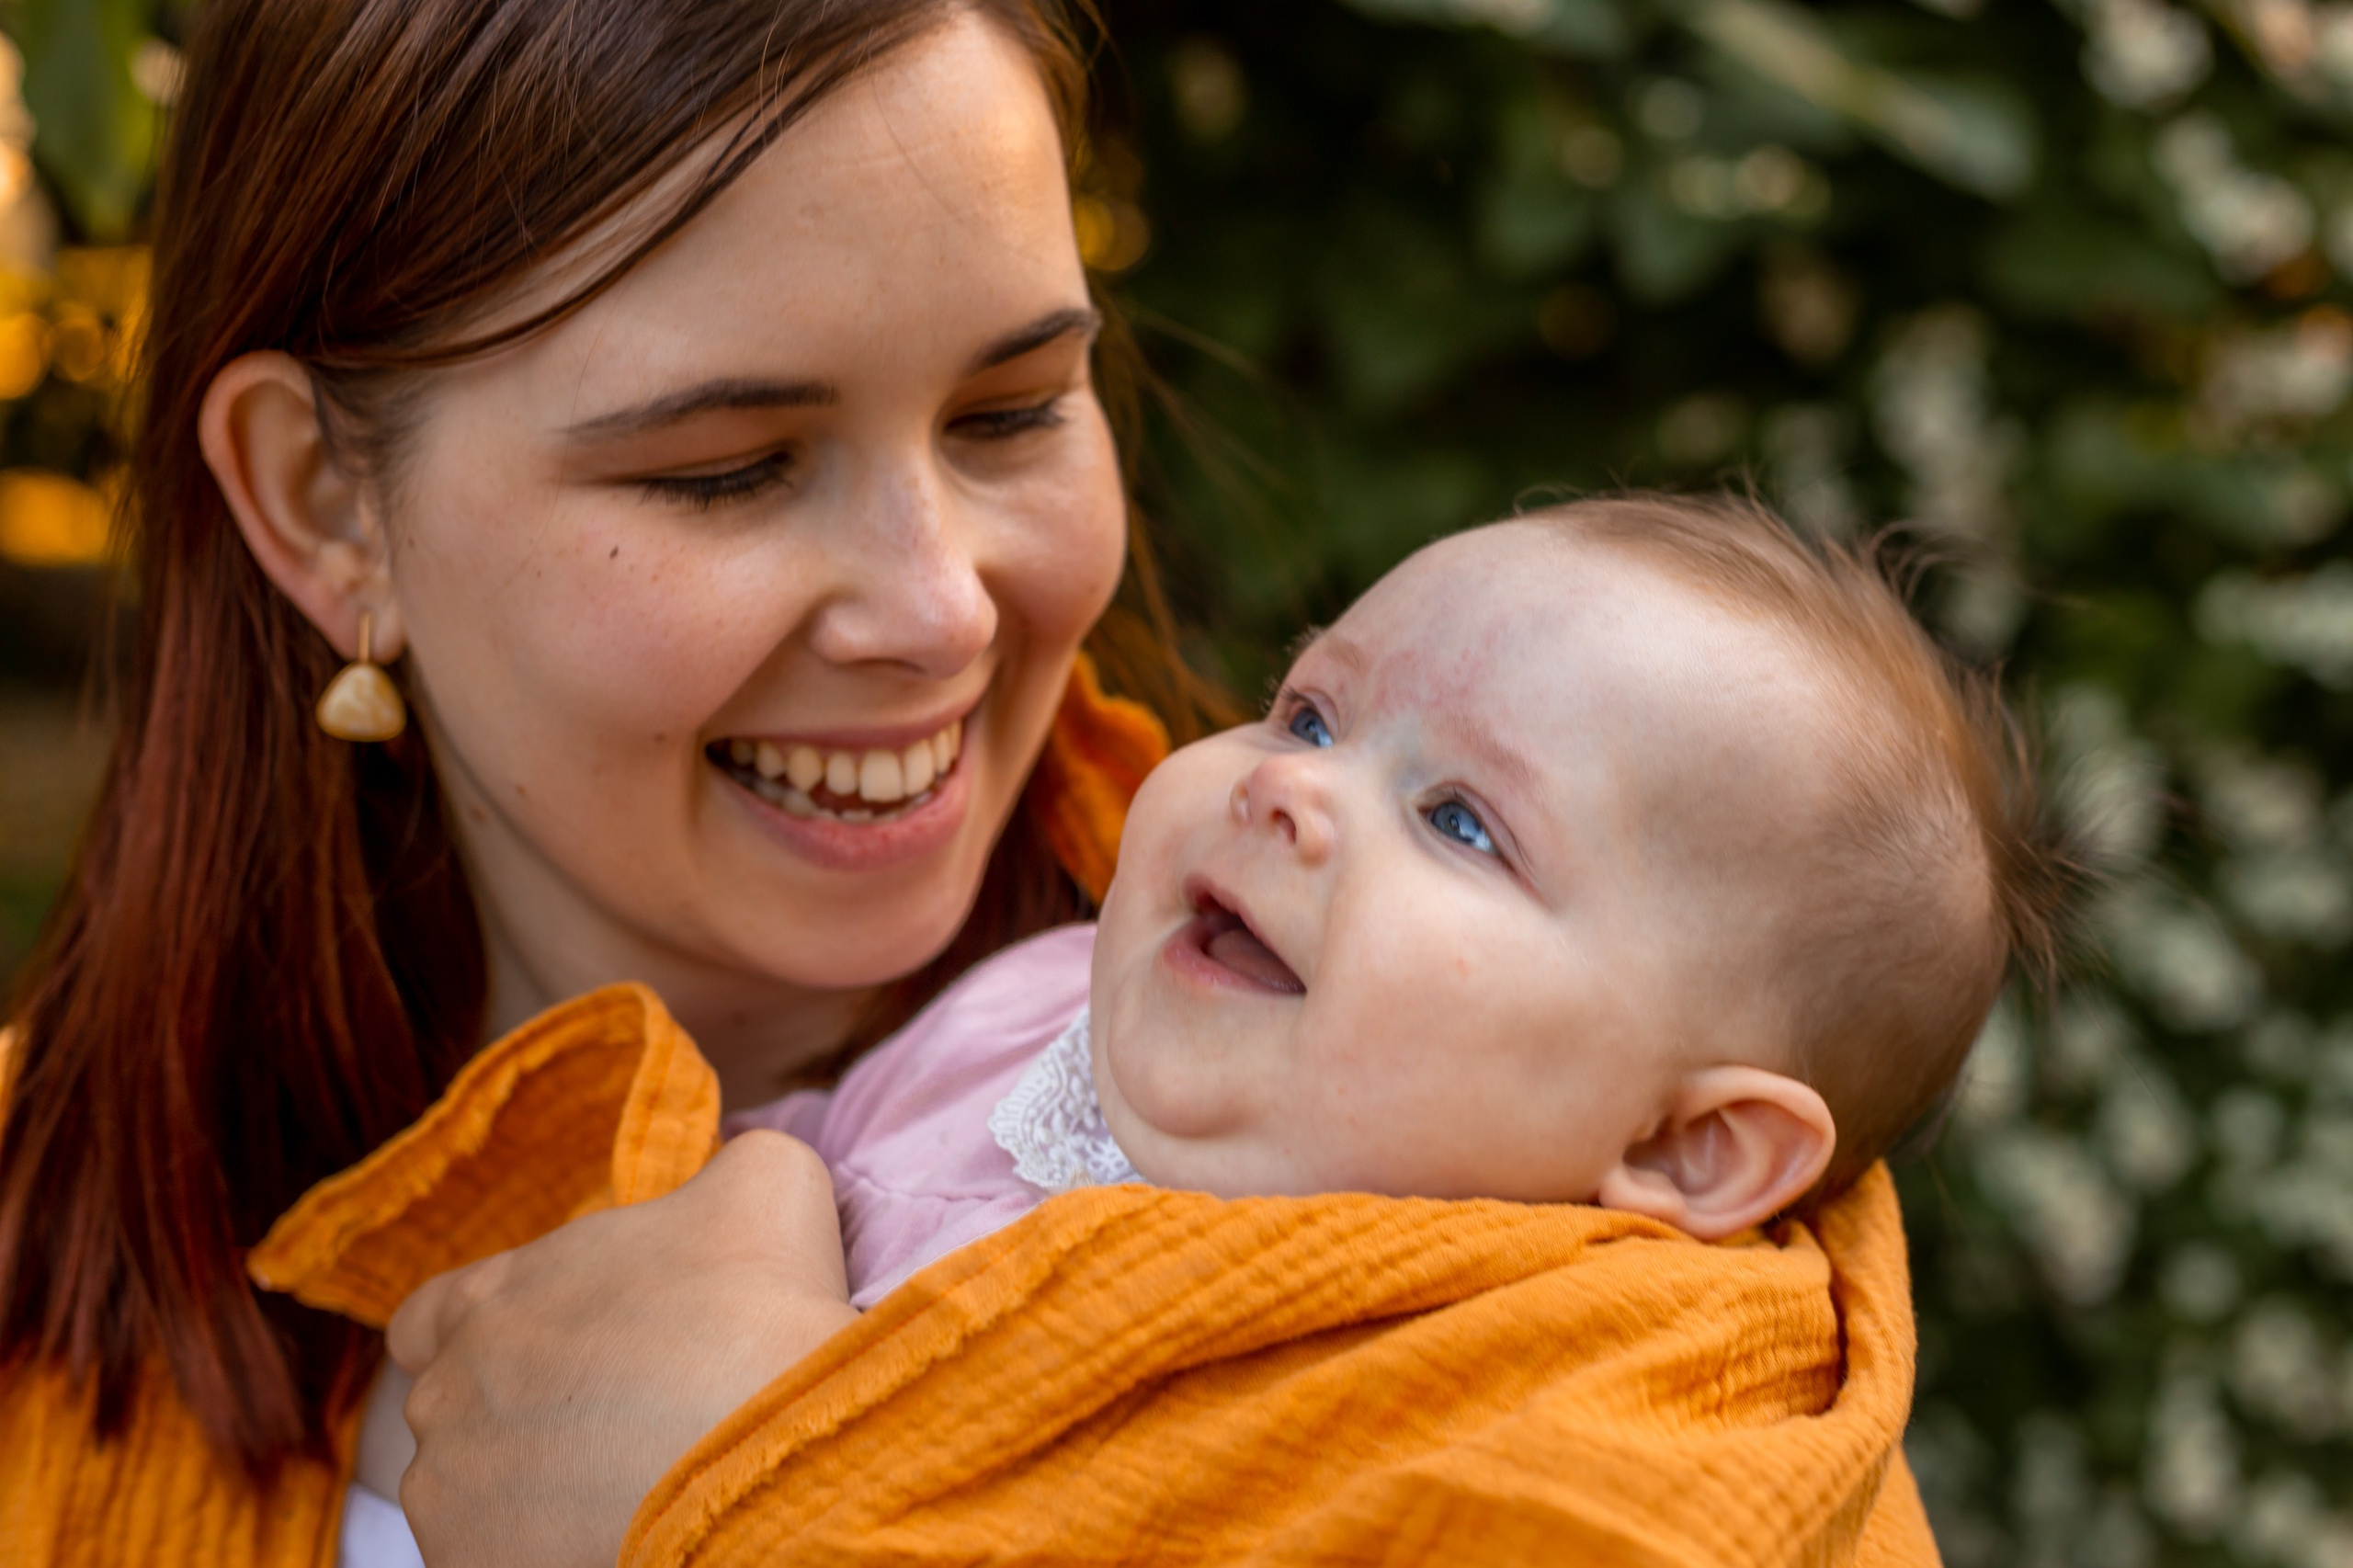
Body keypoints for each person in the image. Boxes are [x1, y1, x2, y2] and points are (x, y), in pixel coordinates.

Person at [0, 0, 1199, 1562]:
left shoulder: (1433, 1117)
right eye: (725, 469)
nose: (941, 611)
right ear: (325, 504)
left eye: (1012, 412)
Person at [705, 496, 2069, 1315]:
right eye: (1310, 714)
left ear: (1686, 1144)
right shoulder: (1027, 999)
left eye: (1460, 820)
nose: (1290, 789)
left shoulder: (1470, 1376)